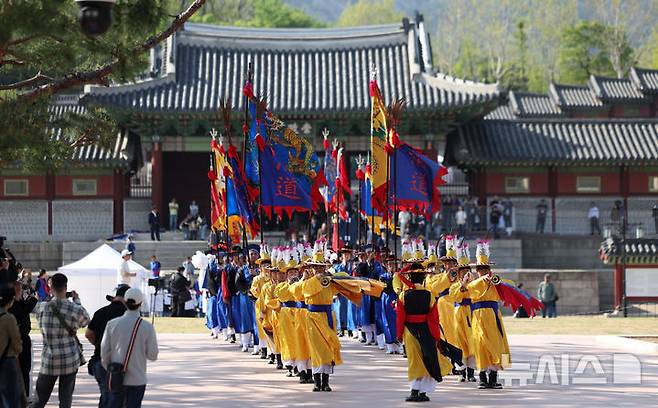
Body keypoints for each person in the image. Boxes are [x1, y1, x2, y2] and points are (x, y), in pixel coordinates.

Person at [31, 273, 90, 408]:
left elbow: (35, 309)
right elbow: (85, 321)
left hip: (49, 360)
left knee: (39, 400)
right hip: (69, 359)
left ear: (51, 288)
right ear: (66, 287)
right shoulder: (75, 308)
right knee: (65, 400)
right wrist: (77, 301)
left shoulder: (42, 307)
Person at [101, 288, 159, 408]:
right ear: (140, 304)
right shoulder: (147, 327)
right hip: (137, 379)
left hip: (116, 377)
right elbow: (153, 355)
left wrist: (110, 369)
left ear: (125, 301)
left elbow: (104, 353)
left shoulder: (112, 324)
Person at [85, 284, 129, 408]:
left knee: (106, 396)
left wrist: (99, 345)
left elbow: (88, 334)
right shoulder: (127, 315)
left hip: (99, 361)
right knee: (117, 399)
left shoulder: (100, 312)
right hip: (119, 363)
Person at [9, 280, 38, 399]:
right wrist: (33, 299)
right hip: (17, 341)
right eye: (20, 290)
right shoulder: (13, 305)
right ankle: (23, 396)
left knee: (25, 370)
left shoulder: (19, 302)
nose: (22, 292)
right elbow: (25, 309)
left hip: (23, 339)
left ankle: (25, 395)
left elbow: (26, 307)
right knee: (22, 369)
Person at [0, 284, 24, 407]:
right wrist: (17, 351)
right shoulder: (8, 318)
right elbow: (17, 343)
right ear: (11, 301)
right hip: (7, 360)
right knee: (11, 396)